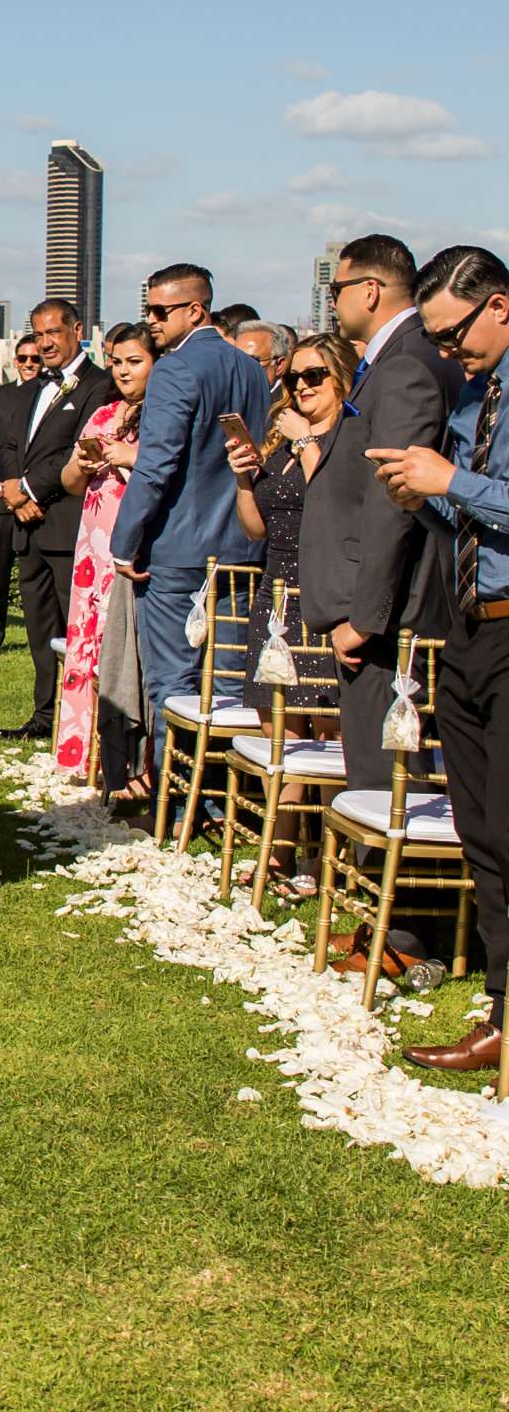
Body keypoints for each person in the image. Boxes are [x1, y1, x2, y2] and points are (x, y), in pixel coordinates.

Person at [368, 248, 509, 1076]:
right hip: (470, 629)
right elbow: (472, 526)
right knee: (482, 832)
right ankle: (501, 1007)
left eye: (454, 336)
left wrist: (454, 478)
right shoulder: (473, 396)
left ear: (500, 305)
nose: (447, 354)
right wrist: (428, 502)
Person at [298, 235, 461, 853]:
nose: (331, 301)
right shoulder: (394, 362)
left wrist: (364, 619)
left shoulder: (409, 366)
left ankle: (400, 934)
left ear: (368, 289)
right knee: (373, 763)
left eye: (335, 289)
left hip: (388, 614)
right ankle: (381, 916)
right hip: (377, 606)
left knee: (387, 770)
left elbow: (395, 501)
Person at [110, 263, 271, 773]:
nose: (151, 321)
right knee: (227, 686)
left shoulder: (175, 369)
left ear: (195, 309)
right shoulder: (250, 368)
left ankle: (177, 802)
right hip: (242, 546)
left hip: (177, 552)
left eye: (160, 311)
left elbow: (156, 466)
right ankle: (223, 801)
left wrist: (124, 542)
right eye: (148, 310)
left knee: (173, 684)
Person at [223, 332, 358, 893]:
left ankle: (325, 860)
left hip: (322, 592)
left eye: (314, 377)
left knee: (327, 733)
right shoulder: (283, 437)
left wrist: (308, 446)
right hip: (274, 594)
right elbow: (256, 527)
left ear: (340, 379)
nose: (300, 386)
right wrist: (243, 474)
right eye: (294, 377)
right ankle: (288, 852)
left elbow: (339, 502)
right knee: (280, 730)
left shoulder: (348, 437)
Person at [0, 298, 115, 742]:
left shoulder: (99, 386)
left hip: (68, 526)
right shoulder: (29, 389)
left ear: (77, 330)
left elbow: (80, 451)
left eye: (53, 333)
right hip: (29, 529)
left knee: (76, 628)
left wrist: (28, 490)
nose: (45, 342)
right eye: (38, 334)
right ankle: (44, 714)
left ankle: (83, 719)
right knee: (38, 629)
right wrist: (12, 490)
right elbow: (9, 444)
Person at [56, 322, 156, 789]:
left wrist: (127, 456)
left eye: (134, 362)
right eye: (116, 362)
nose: (122, 371)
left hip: (131, 544)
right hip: (91, 546)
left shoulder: (163, 416)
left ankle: (131, 763)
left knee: (122, 653)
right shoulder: (103, 413)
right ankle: (83, 754)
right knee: (86, 645)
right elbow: (71, 483)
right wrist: (82, 463)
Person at [0, 333, 41, 653]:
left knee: (37, 572)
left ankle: (42, 637)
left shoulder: (48, 396)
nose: (30, 364)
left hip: (39, 498)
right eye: (24, 358)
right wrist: (1, 487)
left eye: (35, 358)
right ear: (15, 361)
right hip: (3, 499)